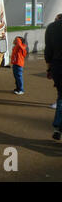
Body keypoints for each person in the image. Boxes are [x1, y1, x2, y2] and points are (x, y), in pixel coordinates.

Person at [45, 13, 62, 141]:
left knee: (61, 96)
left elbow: (48, 51)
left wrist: (49, 68)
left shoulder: (51, 27)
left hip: (57, 66)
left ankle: (57, 127)